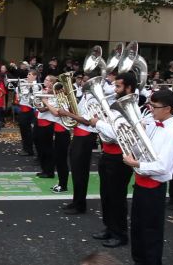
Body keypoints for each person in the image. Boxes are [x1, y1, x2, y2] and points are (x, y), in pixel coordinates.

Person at [122, 89, 173, 265]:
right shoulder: (153, 123)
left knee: (151, 232)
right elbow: (140, 149)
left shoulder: (172, 133)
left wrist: (137, 164)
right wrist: (132, 144)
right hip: (141, 184)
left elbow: (163, 166)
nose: (150, 110)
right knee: (137, 229)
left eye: (154, 107)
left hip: (154, 188)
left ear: (168, 109)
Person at [89, 72, 137, 248]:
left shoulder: (130, 107)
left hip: (120, 157)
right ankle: (109, 228)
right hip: (108, 154)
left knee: (117, 197)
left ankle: (120, 234)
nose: (114, 89)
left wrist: (98, 123)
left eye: (118, 86)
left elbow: (117, 133)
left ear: (129, 88)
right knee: (106, 195)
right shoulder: (116, 105)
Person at [52, 84, 98, 213]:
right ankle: (76, 201)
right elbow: (78, 113)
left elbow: (88, 121)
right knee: (76, 171)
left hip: (85, 137)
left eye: (85, 82)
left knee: (81, 172)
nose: (82, 84)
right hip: (78, 135)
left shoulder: (93, 99)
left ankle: (80, 205)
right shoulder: (84, 97)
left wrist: (67, 113)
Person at [16, 70, 39, 156]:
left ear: (35, 76)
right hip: (22, 109)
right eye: (28, 74)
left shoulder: (36, 86)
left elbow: (32, 96)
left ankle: (29, 150)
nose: (27, 76)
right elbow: (20, 94)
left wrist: (30, 85)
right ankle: (25, 148)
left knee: (27, 131)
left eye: (30, 74)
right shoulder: (24, 84)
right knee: (23, 130)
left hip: (29, 110)